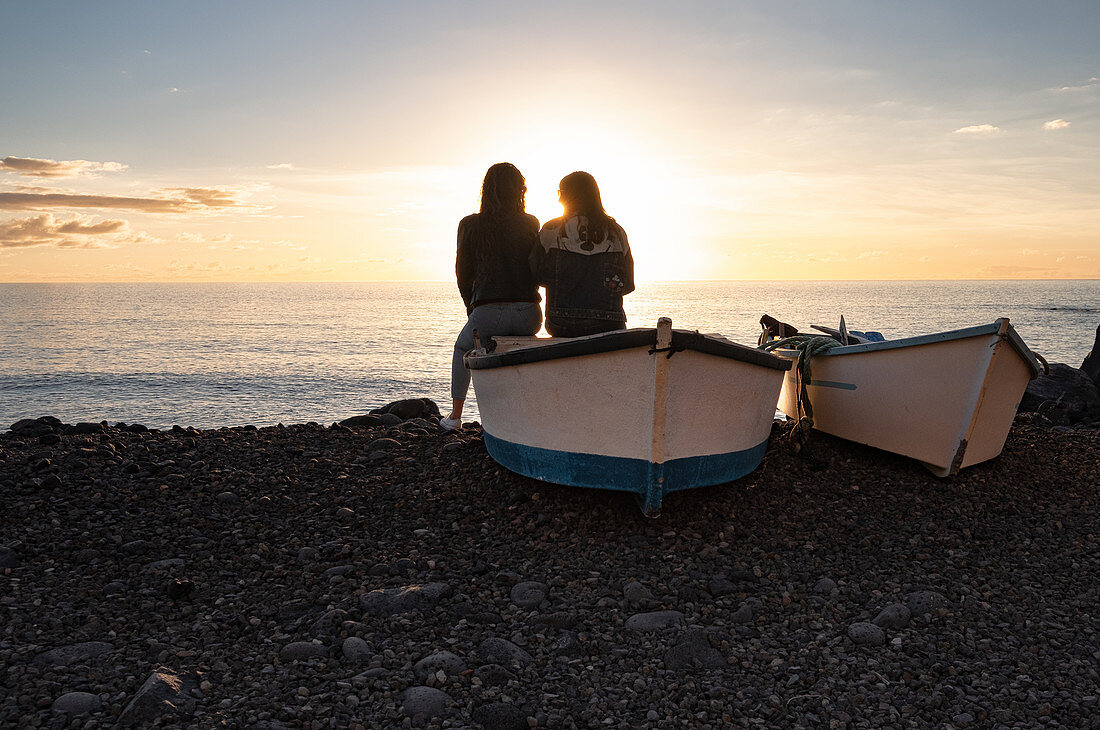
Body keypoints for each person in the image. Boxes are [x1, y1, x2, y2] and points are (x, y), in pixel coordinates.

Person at [442, 162, 542, 431]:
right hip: (529, 314)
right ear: (520, 190)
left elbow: (463, 275)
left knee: (463, 348)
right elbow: (537, 268)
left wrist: (471, 308)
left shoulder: (470, 224)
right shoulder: (531, 223)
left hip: (487, 311)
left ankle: (455, 417)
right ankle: (526, 414)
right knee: (521, 350)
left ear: (487, 190)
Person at [532, 171, 634, 337]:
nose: (558, 199)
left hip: (561, 323)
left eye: (560, 193)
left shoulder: (551, 231)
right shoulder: (617, 233)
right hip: (609, 324)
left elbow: (536, 275)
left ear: (568, 196)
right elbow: (628, 284)